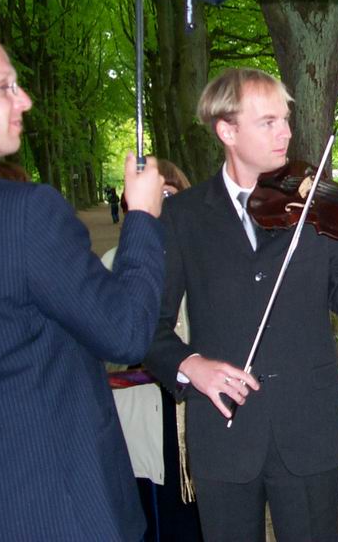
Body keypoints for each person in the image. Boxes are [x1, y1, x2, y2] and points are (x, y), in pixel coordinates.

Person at [143, 67, 338, 542]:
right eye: (268, 122)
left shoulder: (320, 206)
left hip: (308, 428)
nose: (286, 133)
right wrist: (191, 366)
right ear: (227, 131)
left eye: (286, 119)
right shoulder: (181, 216)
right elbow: (147, 325)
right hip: (223, 432)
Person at [0, 21, 166, 541]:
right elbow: (126, 332)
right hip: (50, 507)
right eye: (3, 87)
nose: (25, 100)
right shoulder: (24, 213)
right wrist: (143, 219)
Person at [103, 158, 202, 542]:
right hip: (142, 417)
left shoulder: (204, 261)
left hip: (194, 409)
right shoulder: (114, 263)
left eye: (169, 195)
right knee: (153, 520)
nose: (161, 205)